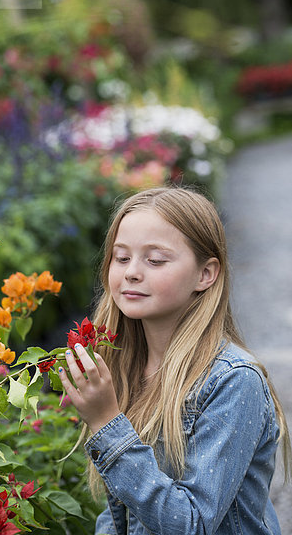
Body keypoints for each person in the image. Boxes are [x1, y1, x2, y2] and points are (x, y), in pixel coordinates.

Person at [58, 186, 291, 535]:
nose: (132, 272)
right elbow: (120, 512)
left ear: (205, 274)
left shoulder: (233, 381)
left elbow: (191, 524)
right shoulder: (125, 367)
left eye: (155, 260)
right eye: (121, 258)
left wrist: (107, 421)